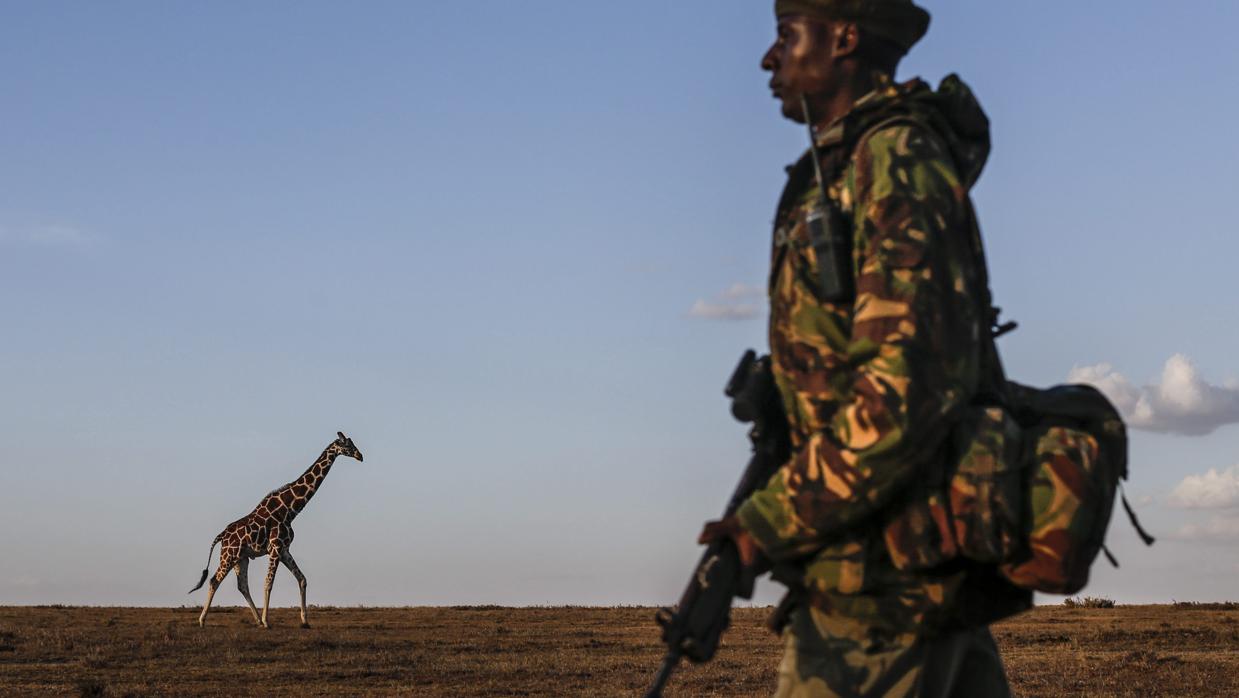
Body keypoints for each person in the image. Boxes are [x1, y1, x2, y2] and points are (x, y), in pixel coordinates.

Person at [698, 1, 1030, 695]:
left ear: (844, 38)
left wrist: (768, 520)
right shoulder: (849, 165)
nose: (770, 59)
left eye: (786, 37)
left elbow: (904, 390)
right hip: (904, 567)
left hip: (879, 587)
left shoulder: (892, 158)